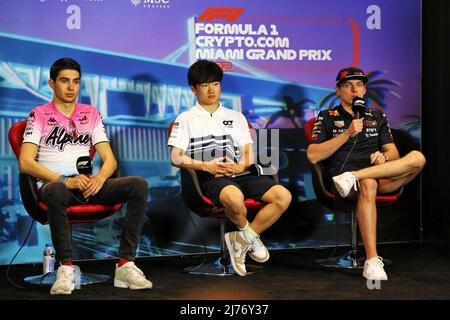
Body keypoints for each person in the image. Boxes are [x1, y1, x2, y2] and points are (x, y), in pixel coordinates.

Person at [19, 58, 153, 295]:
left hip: (88, 185)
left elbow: (110, 160)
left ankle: (125, 265)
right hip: (56, 185)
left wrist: (100, 179)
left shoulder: (90, 113)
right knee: (56, 190)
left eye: (76, 82)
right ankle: (66, 269)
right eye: (64, 81)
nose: (71, 87)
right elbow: (26, 162)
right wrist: (64, 180)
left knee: (138, 185)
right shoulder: (39, 114)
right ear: (52, 83)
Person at [168, 60, 292, 276]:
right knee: (234, 198)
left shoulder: (237, 117)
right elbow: (176, 157)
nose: (211, 90)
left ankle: (243, 238)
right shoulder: (185, 119)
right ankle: (247, 236)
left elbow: (248, 156)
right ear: (193, 89)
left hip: (241, 173)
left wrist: (238, 166)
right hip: (209, 178)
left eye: (215, 84)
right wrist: (207, 166)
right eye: (205, 85)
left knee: (283, 196)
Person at [307, 67, 426, 281]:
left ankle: (357, 175)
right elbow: (313, 156)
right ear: (338, 91)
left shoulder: (377, 116)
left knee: (418, 158)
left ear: (364, 90)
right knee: (368, 183)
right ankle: (372, 260)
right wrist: (347, 134)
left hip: (381, 177)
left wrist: (385, 157)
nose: (355, 90)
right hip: (342, 182)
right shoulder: (326, 117)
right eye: (348, 85)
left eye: (360, 85)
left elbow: (394, 153)